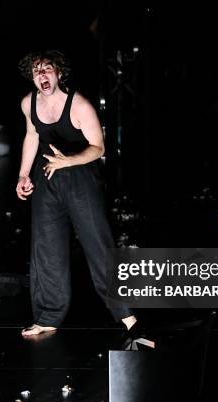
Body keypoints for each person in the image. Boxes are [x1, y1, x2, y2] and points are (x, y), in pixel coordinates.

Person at [15, 50, 151, 347]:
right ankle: (48, 316)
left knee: (98, 246)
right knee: (46, 248)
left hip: (80, 176)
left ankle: (129, 318)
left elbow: (99, 148)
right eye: (36, 71)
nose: (42, 75)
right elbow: (32, 135)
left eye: (47, 69)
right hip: (47, 176)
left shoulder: (79, 105)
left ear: (58, 74)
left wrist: (69, 161)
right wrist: (23, 175)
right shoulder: (29, 103)